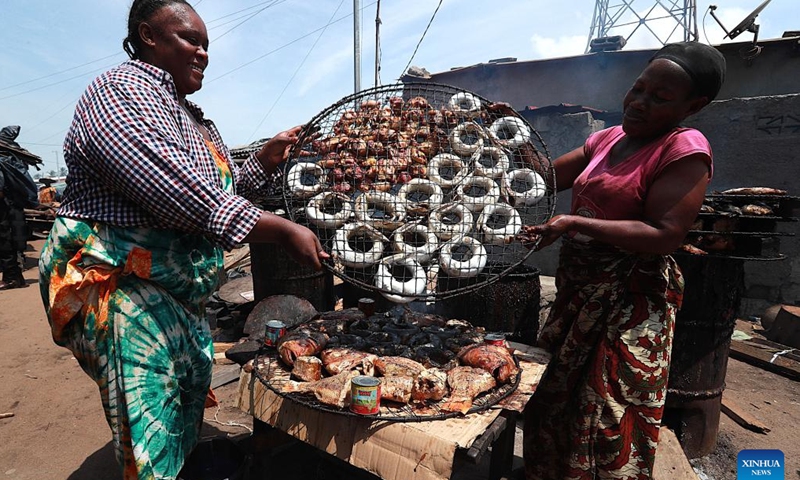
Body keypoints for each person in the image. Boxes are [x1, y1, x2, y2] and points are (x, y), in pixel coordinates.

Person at [38, 1, 328, 479]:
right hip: (116, 280)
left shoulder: (185, 112)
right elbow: (177, 192)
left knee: (189, 385)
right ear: (149, 36)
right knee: (147, 406)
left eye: (207, 45)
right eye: (190, 39)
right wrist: (282, 230)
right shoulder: (119, 93)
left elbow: (217, 187)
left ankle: (185, 465)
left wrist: (264, 160)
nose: (202, 53)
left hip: (174, 287)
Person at [519, 42, 726, 480]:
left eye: (659, 97)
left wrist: (576, 223)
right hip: (579, 293)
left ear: (694, 106)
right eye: (638, 88)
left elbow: (665, 234)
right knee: (553, 395)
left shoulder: (685, 149)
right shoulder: (609, 138)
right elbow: (545, 177)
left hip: (630, 303)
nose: (638, 102)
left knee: (605, 415)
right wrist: (511, 136)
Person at [0, 125, 40, 290]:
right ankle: (16, 278)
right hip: (13, 206)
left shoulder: (3, 158)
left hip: (4, 207)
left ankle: (11, 279)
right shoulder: (12, 156)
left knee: (5, 242)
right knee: (12, 241)